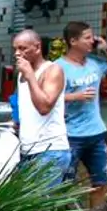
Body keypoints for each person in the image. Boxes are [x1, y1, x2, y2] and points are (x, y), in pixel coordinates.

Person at [60, 21, 107, 207]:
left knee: (101, 183)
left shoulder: (95, 63)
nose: (92, 41)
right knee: (64, 186)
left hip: (96, 133)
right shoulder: (58, 67)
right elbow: (49, 99)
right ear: (73, 41)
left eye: (92, 37)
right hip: (71, 135)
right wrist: (75, 96)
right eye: (87, 38)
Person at [12, 30, 72, 184]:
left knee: (43, 200)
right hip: (27, 150)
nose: (17, 53)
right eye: (15, 49)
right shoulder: (22, 75)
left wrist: (30, 76)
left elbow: (44, 107)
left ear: (37, 47)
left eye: (22, 48)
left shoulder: (53, 70)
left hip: (50, 151)